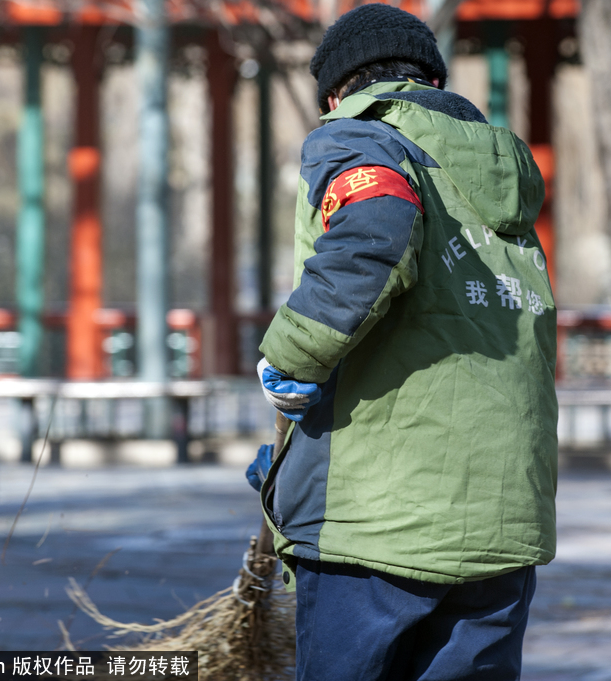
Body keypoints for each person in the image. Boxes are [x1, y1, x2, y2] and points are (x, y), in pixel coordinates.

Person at [249, 4, 558, 679]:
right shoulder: (493, 177)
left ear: (338, 91)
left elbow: (372, 233)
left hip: (381, 523)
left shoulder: (362, 139)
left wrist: (291, 355)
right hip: (501, 523)